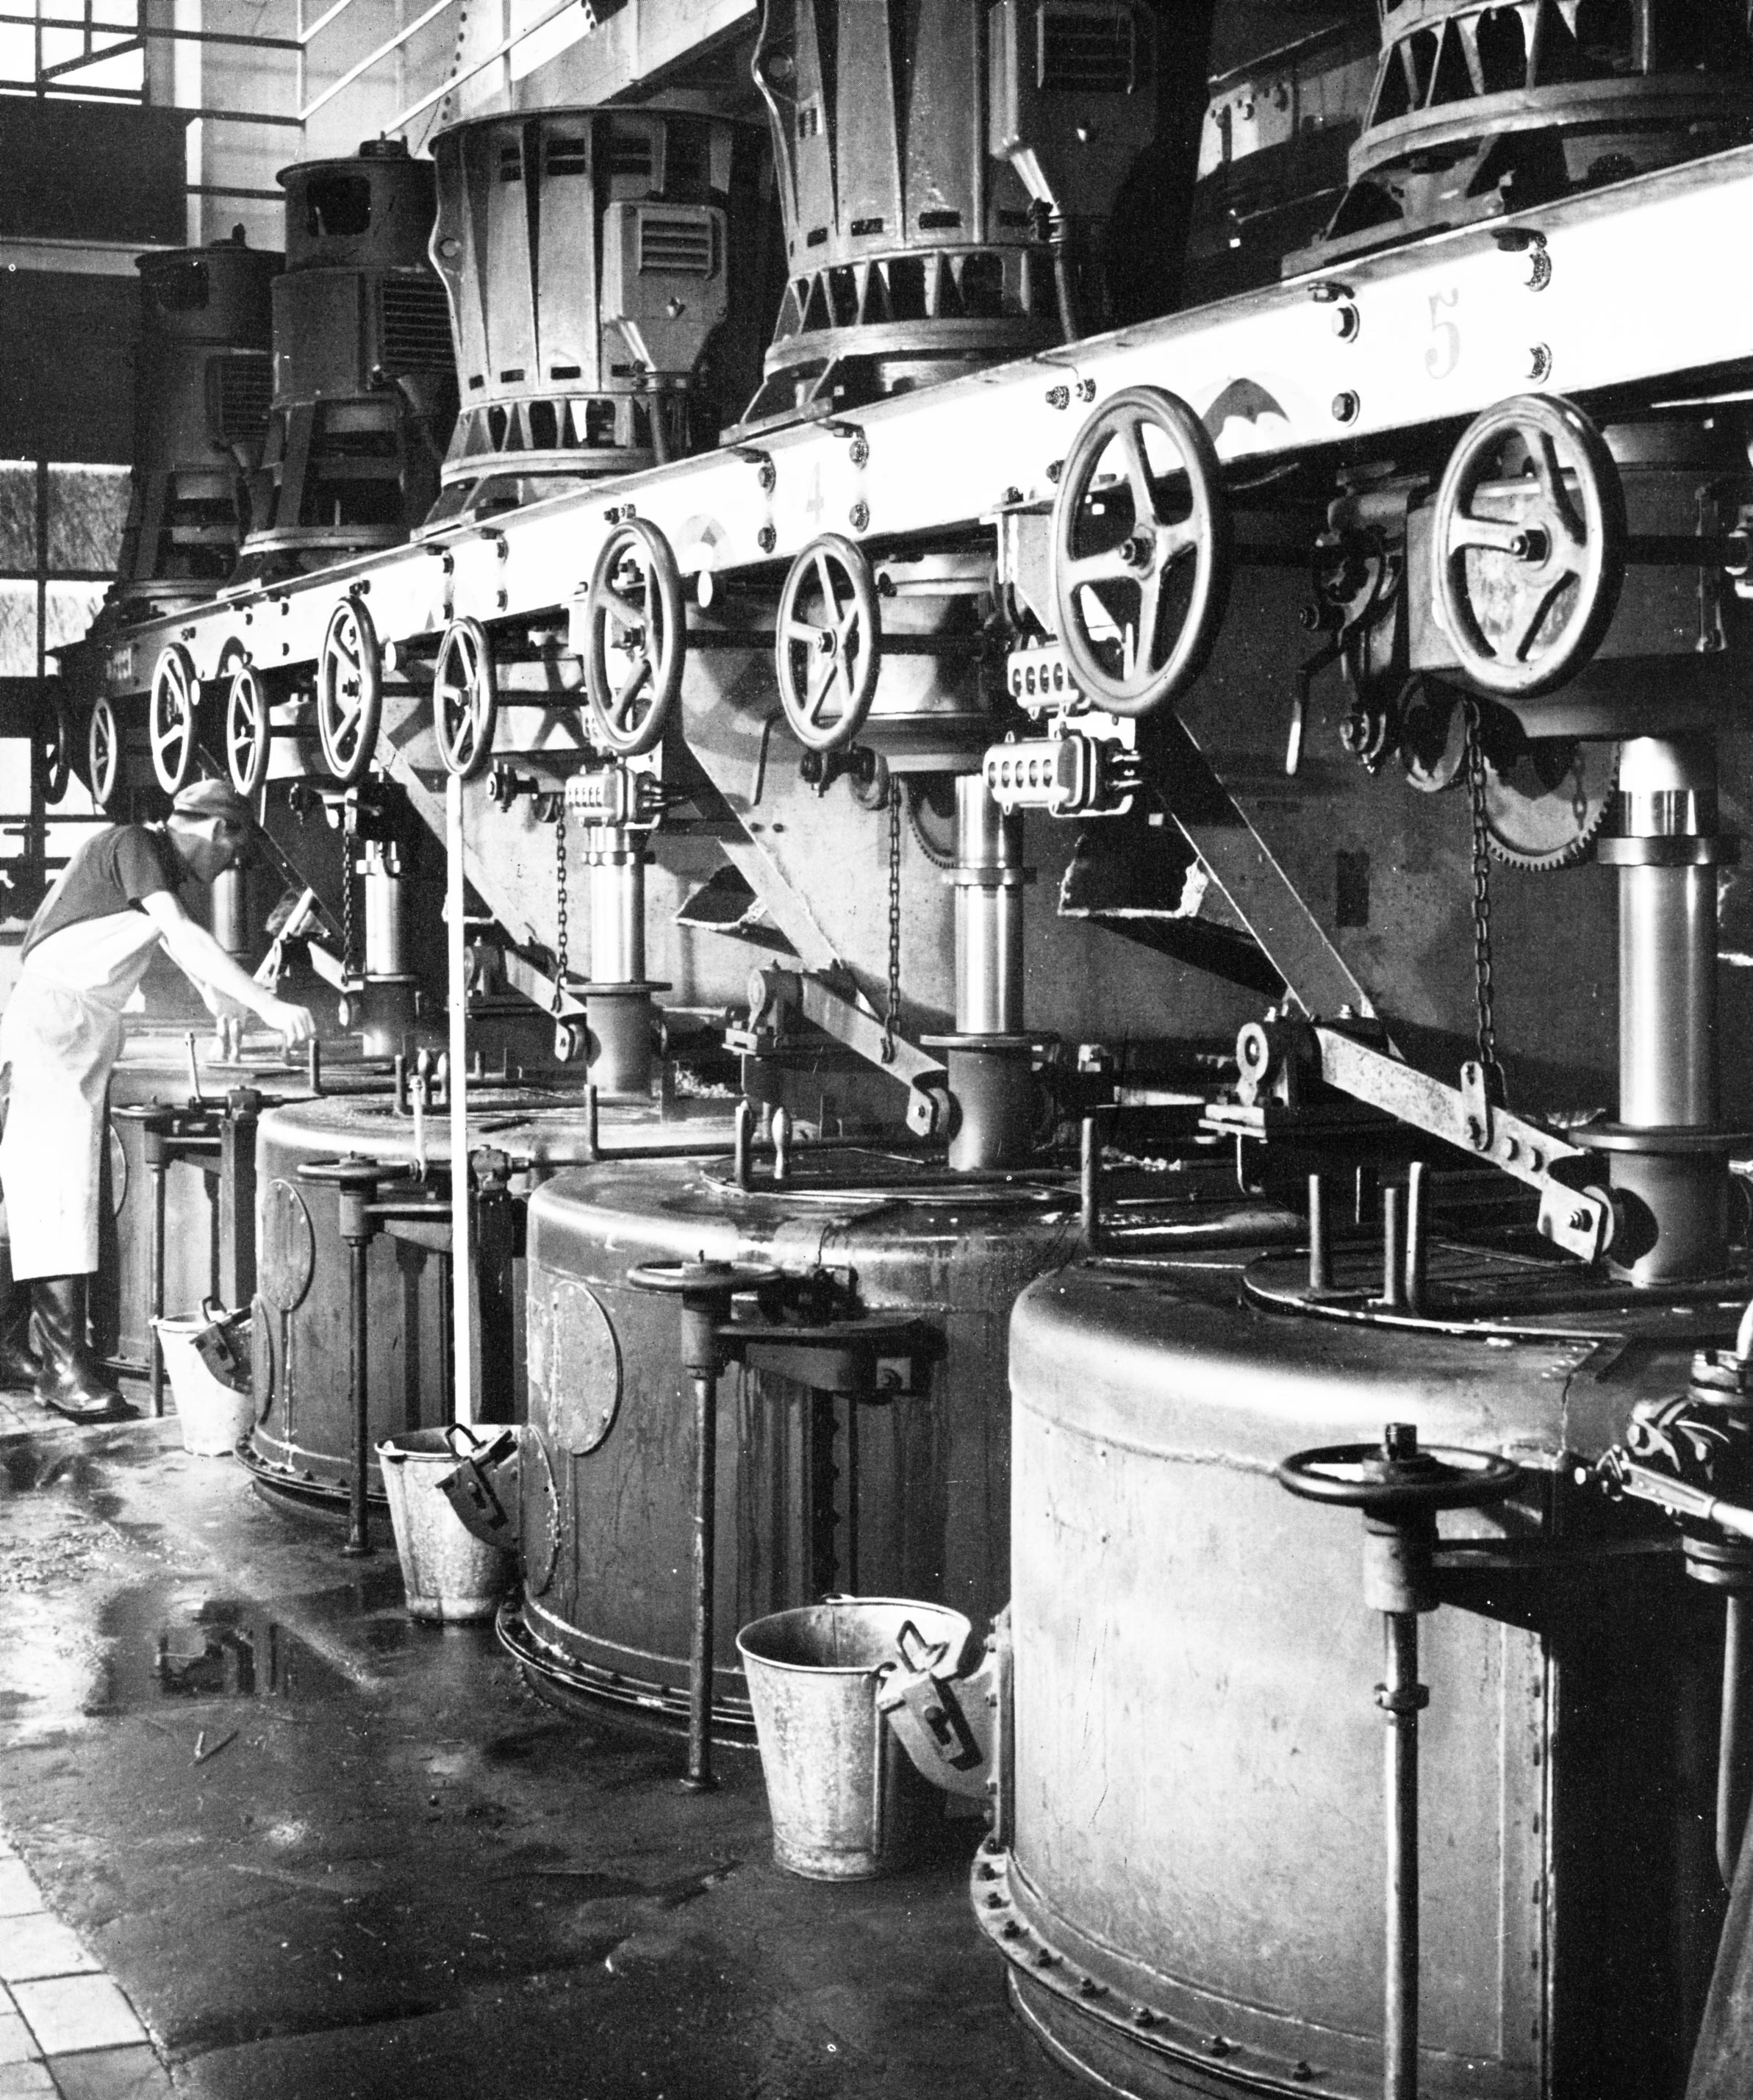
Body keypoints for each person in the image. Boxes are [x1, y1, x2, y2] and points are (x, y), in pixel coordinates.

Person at [0, 778, 315, 1422]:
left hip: (76, 1021)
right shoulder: (138, 842)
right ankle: (62, 1371)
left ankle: (7, 1348)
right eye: (232, 853)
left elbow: (181, 947)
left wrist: (223, 1003)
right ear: (218, 828)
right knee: (59, 1188)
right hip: (58, 1018)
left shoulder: (153, 870)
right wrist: (266, 1003)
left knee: (36, 1188)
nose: (228, 867)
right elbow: (183, 933)